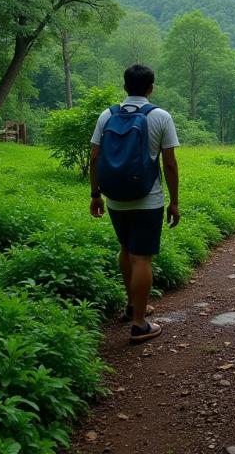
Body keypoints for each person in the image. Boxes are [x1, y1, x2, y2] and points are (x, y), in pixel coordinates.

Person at [89, 64, 180, 344]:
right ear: (151, 88)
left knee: (126, 250)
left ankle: (132, 306)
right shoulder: (160, 117)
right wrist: (174, 202)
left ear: (125, 86)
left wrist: (96, 194)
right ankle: (140, 324)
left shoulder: (107, 115)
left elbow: (94, 157)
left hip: (116, 198)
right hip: (147, 198)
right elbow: (170, 163)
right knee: (143, 258)